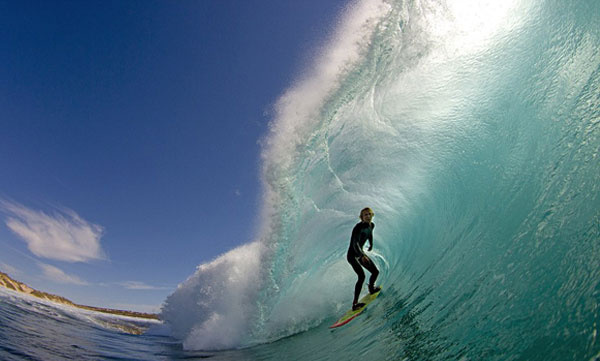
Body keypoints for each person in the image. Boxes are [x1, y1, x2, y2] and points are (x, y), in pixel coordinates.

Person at [347, 207, 381, 310]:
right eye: (365, 215)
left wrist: (371, 244)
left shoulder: (372, 225)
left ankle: (371, 288)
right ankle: (355, 304)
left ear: (372, 215)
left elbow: (370, 234)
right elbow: (355, 243)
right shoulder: (358, 228)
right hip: (353, 256)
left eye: (369, 214)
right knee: (361, 276)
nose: (368, 216)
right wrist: (362, 255)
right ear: (361, 217)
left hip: (360, 254)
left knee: (375, 272)